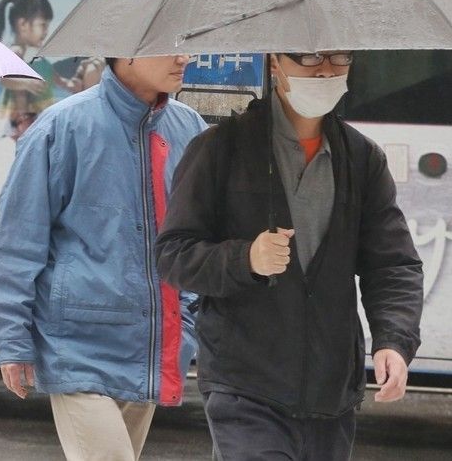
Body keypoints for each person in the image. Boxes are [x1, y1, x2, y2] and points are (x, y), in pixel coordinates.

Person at [155, 51, 424, 461]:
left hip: (331, 392)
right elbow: (174, 255)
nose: (326, 69)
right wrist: (246, 259)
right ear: (275, 63)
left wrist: (393, 341)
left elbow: (392, 264)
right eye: (310, 56)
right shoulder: (219, 148)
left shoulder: (362, 158)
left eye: (339, 57)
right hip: (244, 386)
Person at [0, 55, 206, 461]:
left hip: (153, 342)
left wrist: (188, 321)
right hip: (77, 346)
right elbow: (17, 242)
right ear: (127, 51)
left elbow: (200, 237)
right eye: (166, 45)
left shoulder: (189, 128)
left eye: (183, 44)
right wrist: (11, 340)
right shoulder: (60, 127)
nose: (183, 57)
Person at [0, 0, 57, 140]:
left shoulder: (25, 53)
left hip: (21, 118)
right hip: (19, 119)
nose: (46, 31)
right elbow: (4, 79)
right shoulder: (16, 50)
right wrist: (27, 83)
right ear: (23, 24)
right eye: (43, 25)